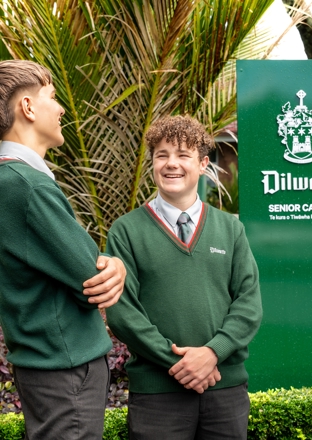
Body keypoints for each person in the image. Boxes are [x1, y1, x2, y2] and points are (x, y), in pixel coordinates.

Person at [106, 114, 262, 440]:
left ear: (203, 164)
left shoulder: (231, 228)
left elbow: (248, 305)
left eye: (183, 155)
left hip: (224, 385)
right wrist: (182, 364)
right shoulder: (126, 231)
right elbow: (123, 313)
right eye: (162, 155)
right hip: (157, 393)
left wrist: (212, 353)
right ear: (152, 163)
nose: (171, 164)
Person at [0, 60, 127, 440]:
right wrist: (113, 266)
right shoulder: (26, 184)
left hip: (45, 362)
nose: (62, 110)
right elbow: (92, 279)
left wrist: (110, 266)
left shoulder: (12, 179)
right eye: (53, 98)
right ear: (27, 107)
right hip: (65, 366)